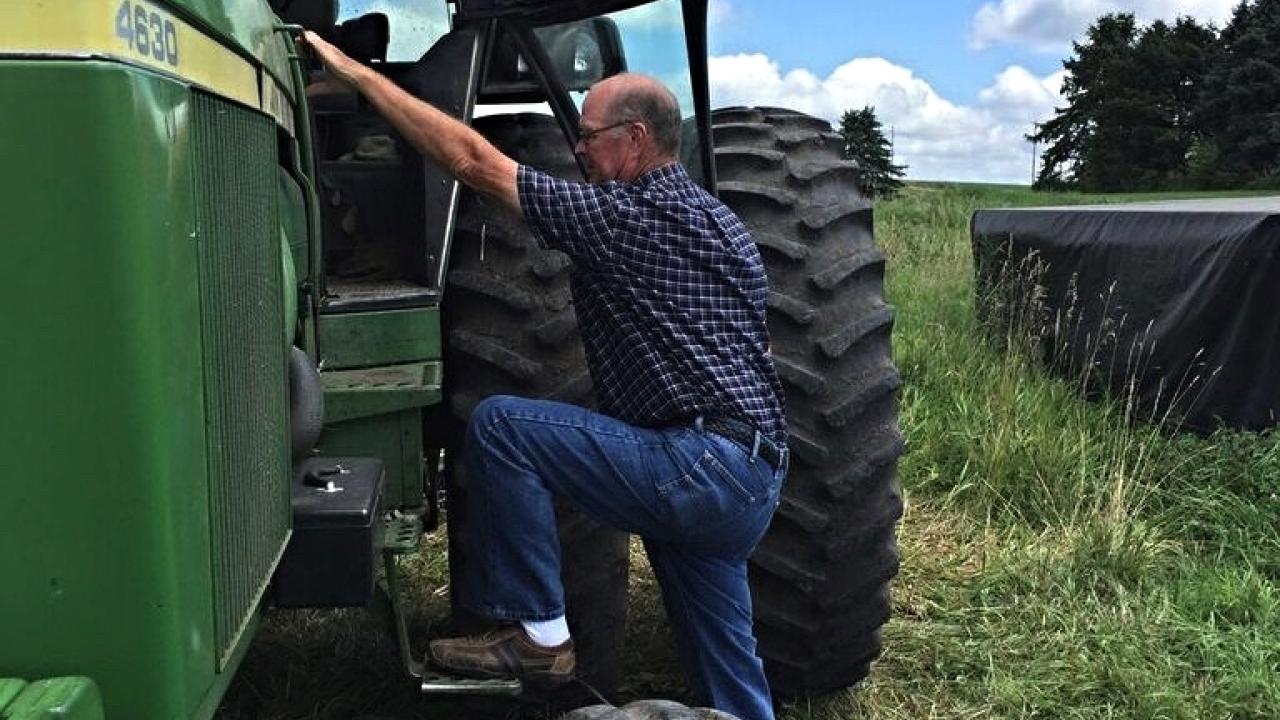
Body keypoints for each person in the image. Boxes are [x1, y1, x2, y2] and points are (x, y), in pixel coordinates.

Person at [303, 30, 789, 720]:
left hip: (698, 462)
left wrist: (363, 79)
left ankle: (539, 632)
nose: (579, 148)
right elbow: (759, 348)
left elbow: (472, 160)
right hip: (754, 478)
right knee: (729, 668)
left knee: (505, 428)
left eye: (589, 135)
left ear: (636, 139)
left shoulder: (620, 218)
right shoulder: (725, 226)